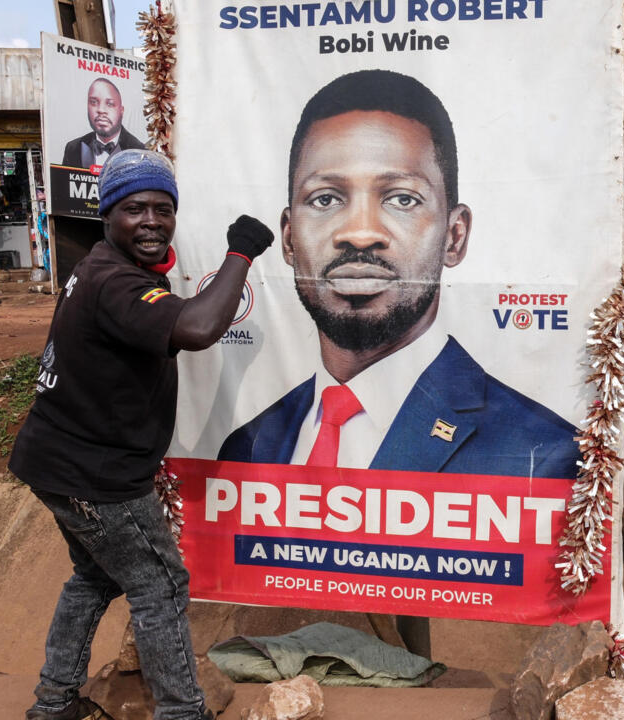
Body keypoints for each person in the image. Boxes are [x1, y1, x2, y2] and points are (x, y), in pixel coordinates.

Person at [9, 149, 273, 720]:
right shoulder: (118, 283)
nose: (151, 220)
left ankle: (53, 703)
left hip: (54, 460)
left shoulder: (101, 266)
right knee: (160, 585)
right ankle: (181, 711)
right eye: (134, 209)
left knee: (93, 577)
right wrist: (241, 253)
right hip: (97, 476)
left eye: (162, 209)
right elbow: (200, 326)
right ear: (107, 215)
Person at [217, 70, 578, 479]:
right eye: (326, 198)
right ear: (288, 239)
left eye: (402, 199)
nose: (359, 233)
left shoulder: (542, 454)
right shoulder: (247, 447)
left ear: (454, 237)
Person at [60, 78, 145, 169]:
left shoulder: (139, 151)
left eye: (110, 104)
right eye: (93, 102)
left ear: (121, 111)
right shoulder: (73, 148)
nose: (101, 110)